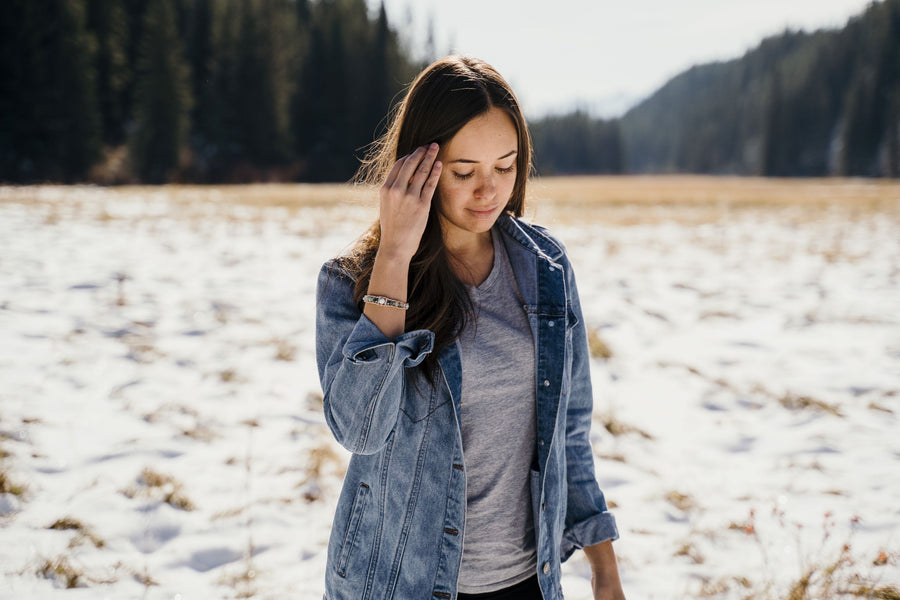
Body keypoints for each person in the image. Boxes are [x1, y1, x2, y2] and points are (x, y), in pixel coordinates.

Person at [315, 55, 625, 600]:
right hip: (399, 585)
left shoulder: (545, 269)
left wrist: (604, 568)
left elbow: (568, 430)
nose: (489, 191)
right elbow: (358, 430)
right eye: (464, 173)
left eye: (505, 167)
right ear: (418, 168)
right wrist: (394, 257)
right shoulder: (350, 283)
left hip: (529, 583)